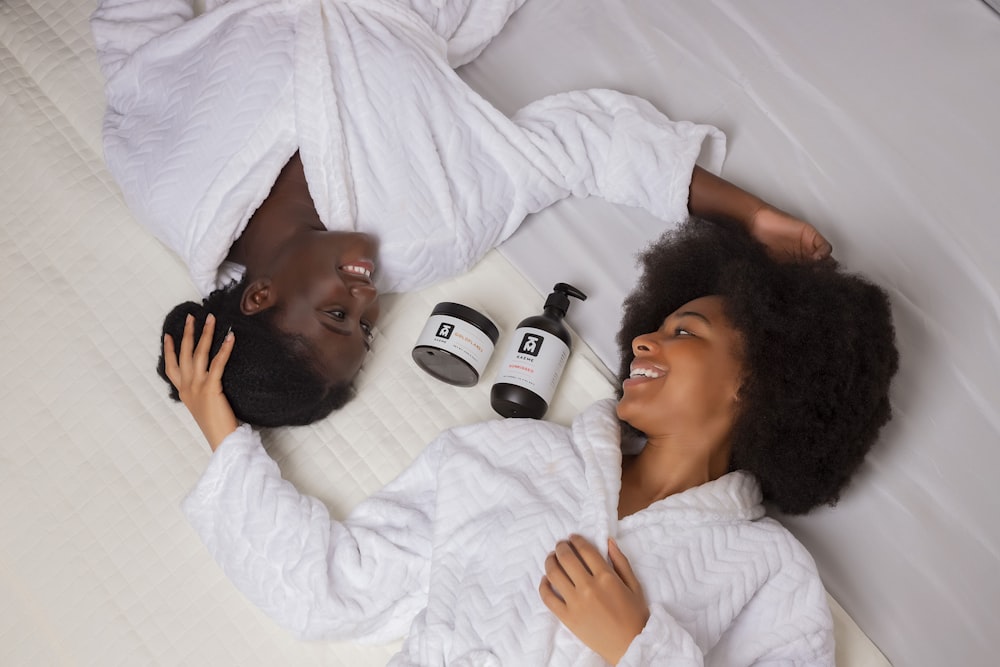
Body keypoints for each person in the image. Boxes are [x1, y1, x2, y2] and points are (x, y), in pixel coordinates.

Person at [165, 217, 898, 665]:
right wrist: (220, 426)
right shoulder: (493, 457)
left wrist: (636, 646)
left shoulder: (772, 575)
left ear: (758, 379)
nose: (642, 337)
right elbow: (330, 590)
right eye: (655, 322)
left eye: (685, 331)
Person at [92, 0, 833, 427]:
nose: (367, 295)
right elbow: (579, 151)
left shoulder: (165, 184)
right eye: (369, 323)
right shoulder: (430, 229)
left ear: (259, 295)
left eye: (336, 316)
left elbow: (132, 39)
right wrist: (750, 214)